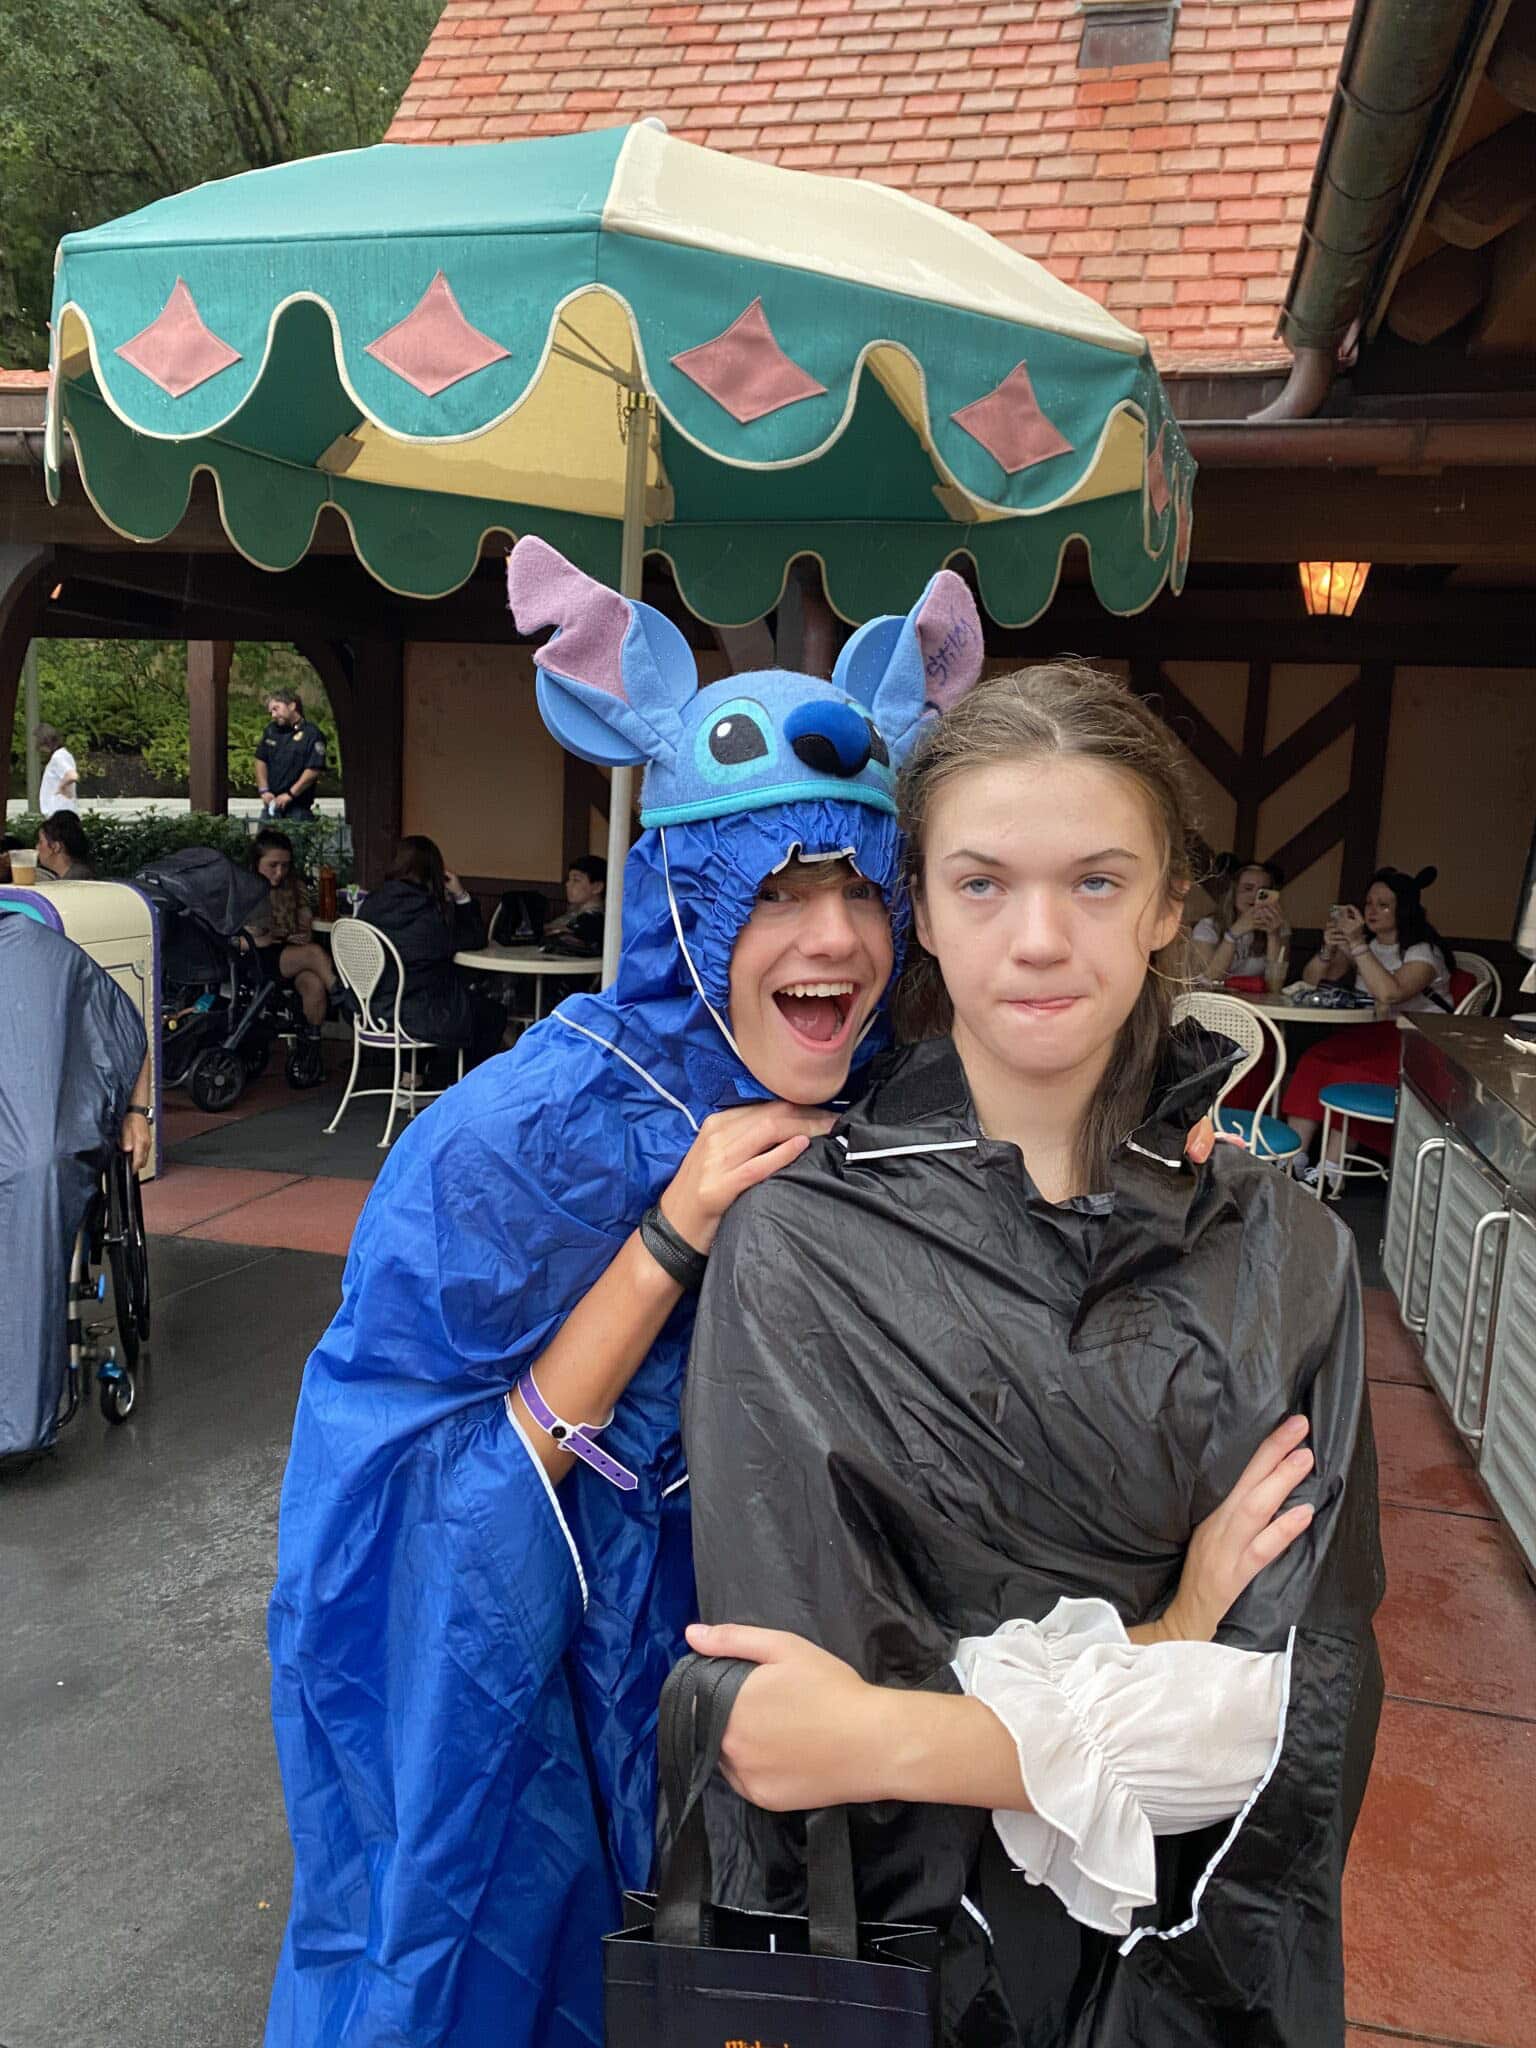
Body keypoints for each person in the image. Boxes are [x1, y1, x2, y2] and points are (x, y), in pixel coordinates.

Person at [263, 549, 1254, 2048]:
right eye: (780, 892)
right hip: (546, 1730)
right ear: (684, 898)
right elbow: (379, 1524)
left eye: (865, 891)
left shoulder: (896, 1106)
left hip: (817, 1750)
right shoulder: (517, 1138)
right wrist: (665, 1241)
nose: (837, 942)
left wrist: (1154, 1144)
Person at [685, 660, 1384, 2048]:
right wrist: (1171, 1632)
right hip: (903, 1972)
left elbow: (1290, 1711)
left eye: (1100, 882)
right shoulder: (802, 1247)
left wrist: (911, 1735)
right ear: (926, 912)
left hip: (1191, 1970)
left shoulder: (1287, 1253)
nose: (1042, 940)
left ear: (1173, 900)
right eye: (986, 883)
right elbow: (791, 1719)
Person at [0, 910, 149, 1458]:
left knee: (34, 1172)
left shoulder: (41, 955)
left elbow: (122, 1026)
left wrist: (137, 1112)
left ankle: (14, 1415)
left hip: (36, 1157)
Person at [1283, 863, 1453, 1190]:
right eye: (1369, 903)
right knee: (1314, 1060)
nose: (1372, 911)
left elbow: (1390, 993)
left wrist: (1358, 945)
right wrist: (1328, 948)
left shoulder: (1422, 952)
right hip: (1373, 1035)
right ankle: (1293, 1156)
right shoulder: (1371, 945)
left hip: (1417, 1044)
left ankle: (1332, 1170)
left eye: (1383, 905)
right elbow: (1313, 980)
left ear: (1403, 910)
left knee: (1350, 1073)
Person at [354, 834, 505, 1067]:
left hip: (370, 1008)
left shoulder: (371, 904)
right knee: (492, 1013)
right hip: (413, 1013)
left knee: (429, 988)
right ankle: (459, 1086)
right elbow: (474, 939)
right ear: (435, 872)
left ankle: (415, 1074)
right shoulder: (427, 913)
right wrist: (461, 896)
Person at [245, 830, 333, 1034]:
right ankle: (347, 1000)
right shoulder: (245, 889)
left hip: (291, 955)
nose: (279, 872)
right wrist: (274, 934)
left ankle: (309, 1050)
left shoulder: (294, 885)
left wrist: (302, 933)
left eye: (285, 865)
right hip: (256, 957)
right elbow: (245, 935)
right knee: (314, 954)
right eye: (272, 865)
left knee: (314, 984)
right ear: (257, 863)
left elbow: (305, 923)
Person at [1189, 852, 1289, 990]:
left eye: (1263, 892)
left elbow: (1275, 988)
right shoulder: (1207, 927)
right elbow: (1208, 980)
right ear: (1234, 892)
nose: (1254, 896)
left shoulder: (1280, 927)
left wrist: (1273, 936)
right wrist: (1233, 934)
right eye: (1248, 888)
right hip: (1215, 1005)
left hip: (1255, 1005)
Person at [254, 689, 327, 821]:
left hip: (298, 808)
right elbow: (260, 760)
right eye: (271, 711)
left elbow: (313, 770)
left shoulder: (312, 734)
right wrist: (264, 790)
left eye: (276, 709)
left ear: (292, 706)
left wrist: (290, 795)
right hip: (271, 805)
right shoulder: (271, 730)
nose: (273, 715)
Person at [542, 852, 608, 955]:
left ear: (597, 887)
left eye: (576, 880)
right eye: (569, 880)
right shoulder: (574, 914)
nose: (568, 884)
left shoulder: (595, 920)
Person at [33, 723, 79, 817]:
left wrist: (61, 787)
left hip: (58, 812)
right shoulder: (63, 754)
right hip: (62, 812)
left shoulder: (58, 757)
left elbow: (72, 775)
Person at [35, 809, 95, 881]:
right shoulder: (74, 875)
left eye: (41, 842)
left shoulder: (77, 881)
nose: (37, 847)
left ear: (56, 847)